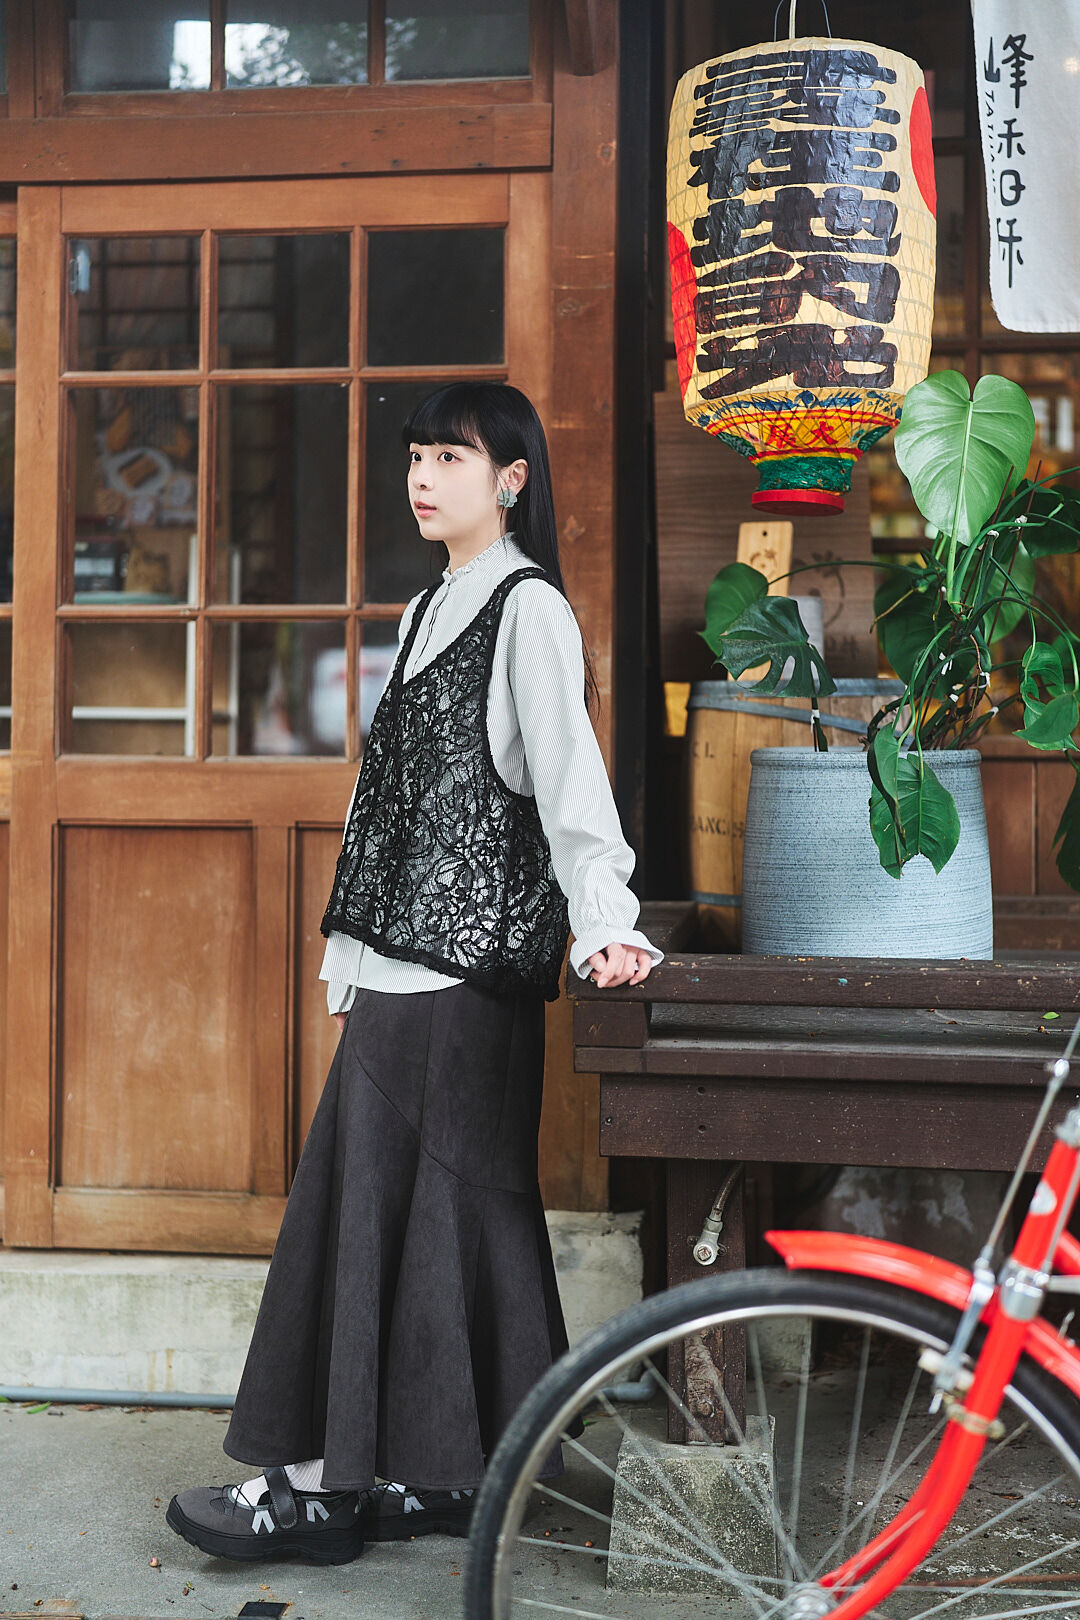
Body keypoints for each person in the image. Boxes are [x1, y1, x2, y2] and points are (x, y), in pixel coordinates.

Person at [165, 380, 663, 1567]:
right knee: (414, 1219)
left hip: (461, 982)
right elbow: (384, 804)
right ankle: (442, 1474)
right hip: (403, 972)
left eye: (451, 457)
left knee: (394, 1219)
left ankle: (314, 1490)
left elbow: (570, 781)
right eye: (417, 457)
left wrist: (607, 919)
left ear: (511, 480)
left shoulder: (528, 611)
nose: (424, 477)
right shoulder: (432, 604)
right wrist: (348, 961)